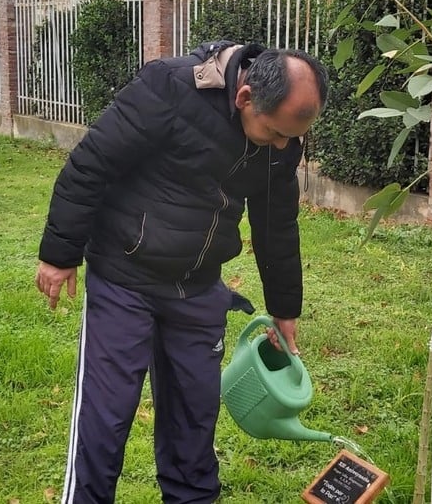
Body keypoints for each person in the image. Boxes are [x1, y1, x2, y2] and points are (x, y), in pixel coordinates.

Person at [34, 41, 329, 504]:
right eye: (274, 133)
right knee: (105, 418)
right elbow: (91, 164)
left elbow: (276, 222)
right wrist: (59, 253)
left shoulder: (282, 136)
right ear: (245, 97)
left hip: (197, 287)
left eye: (293, 136)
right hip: (124, 277)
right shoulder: (168, 88)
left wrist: (285, 308)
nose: (283, 146)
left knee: (194, 417)